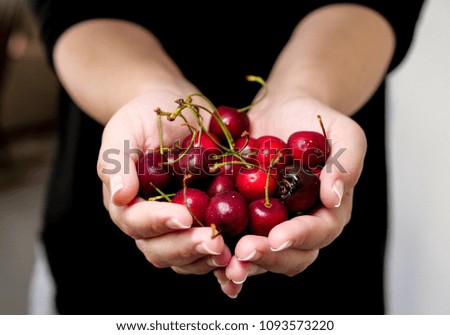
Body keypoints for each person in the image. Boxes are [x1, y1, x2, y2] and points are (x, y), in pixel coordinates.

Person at [27, 0, 425, 314]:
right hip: (110, 265)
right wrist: (144, 90)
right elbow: (72, 9)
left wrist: (305, 88)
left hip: (321, 272)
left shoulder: (268, 173)